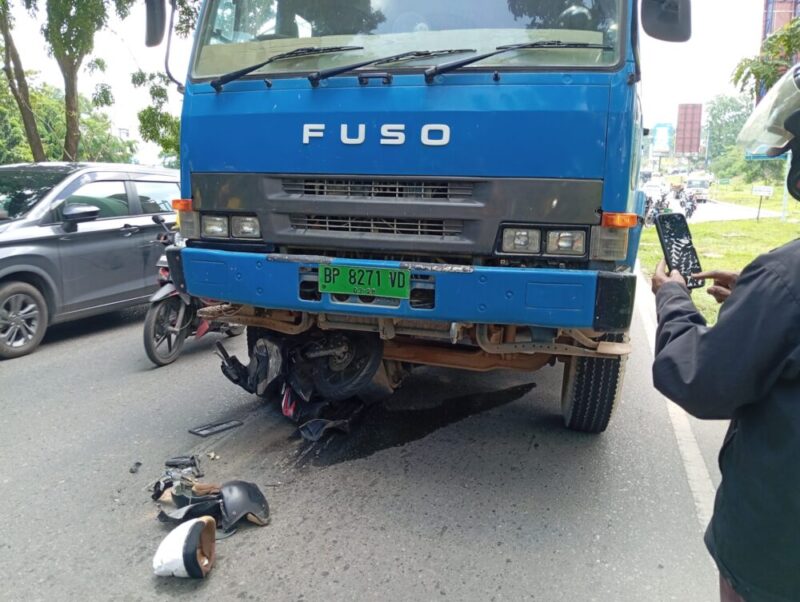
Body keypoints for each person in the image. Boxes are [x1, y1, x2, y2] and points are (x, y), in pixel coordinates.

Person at [650, 239, 800, 602]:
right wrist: (757, 305)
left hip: (776, 551)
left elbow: (699, 381)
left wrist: (672, 298)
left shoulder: (787, 274)